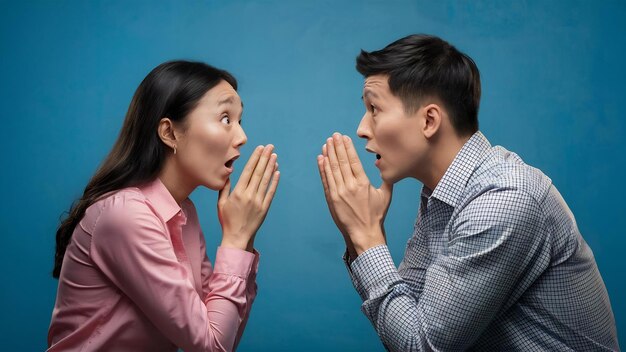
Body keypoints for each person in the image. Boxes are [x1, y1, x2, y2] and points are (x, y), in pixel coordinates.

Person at [317, 34, 619, 351]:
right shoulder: (444, 194)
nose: (362, 128)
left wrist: (366, 235)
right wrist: (358, 233)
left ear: (429, 120)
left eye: (374, 108)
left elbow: (419, 344)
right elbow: (408, 313)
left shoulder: (503, 197)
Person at [48, 60, 280, 352]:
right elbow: (211, 347)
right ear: (169, 133)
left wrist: (244, 239)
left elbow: (221, 333)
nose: (242, 137)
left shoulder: (185, 212)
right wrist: (235, 238)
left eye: (240, 120)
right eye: (225, 119)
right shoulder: (126, 216)